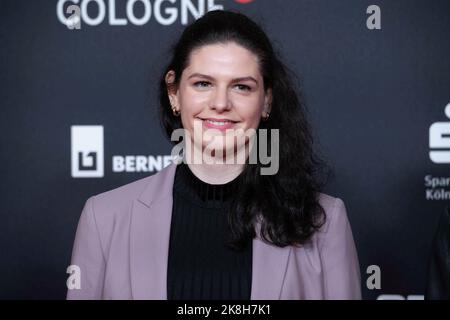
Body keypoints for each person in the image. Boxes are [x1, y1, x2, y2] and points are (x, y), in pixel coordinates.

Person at [67, 10, 361, 300]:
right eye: (203, 84)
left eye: (241, 87)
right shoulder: (104, 218)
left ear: (267, 100)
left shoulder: (324, 222)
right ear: (174, 92)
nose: (220, 103)